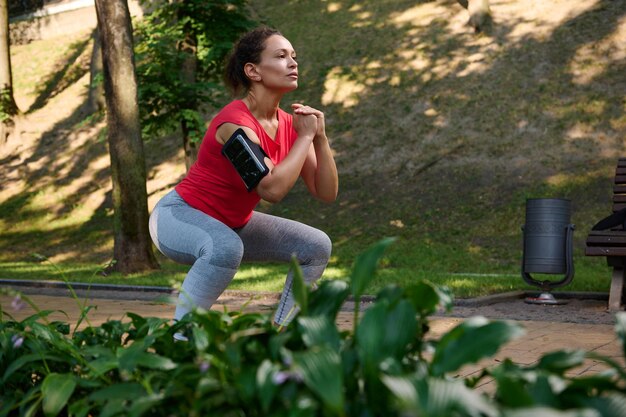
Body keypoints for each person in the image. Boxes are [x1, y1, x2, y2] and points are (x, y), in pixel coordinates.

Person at [148, 26, 338, 329]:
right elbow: (271, 190)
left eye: (294, 56)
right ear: (253, 71)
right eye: (280, 56)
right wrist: (304, 138)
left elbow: (325, 192)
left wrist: (320, 138)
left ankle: (281, 336)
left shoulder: (290, 124)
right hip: (178, 218)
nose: (293, 63)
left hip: (234, 223)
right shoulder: (233, 124)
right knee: (225, 248)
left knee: (316, 246)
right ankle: (181, 342)